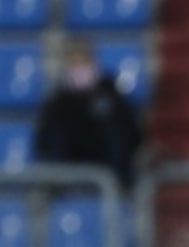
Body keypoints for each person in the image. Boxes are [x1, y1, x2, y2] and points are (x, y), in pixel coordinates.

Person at [33, 39, 144, 190]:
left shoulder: (112, 96)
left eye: (83, 62)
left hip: (111, 172)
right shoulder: (58, 103)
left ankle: (119, 184)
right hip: (70, 172)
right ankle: (58, 186)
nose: (79, 69)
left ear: (94, 63)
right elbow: (45, 141)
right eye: (74, 64)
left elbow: (133, 134)